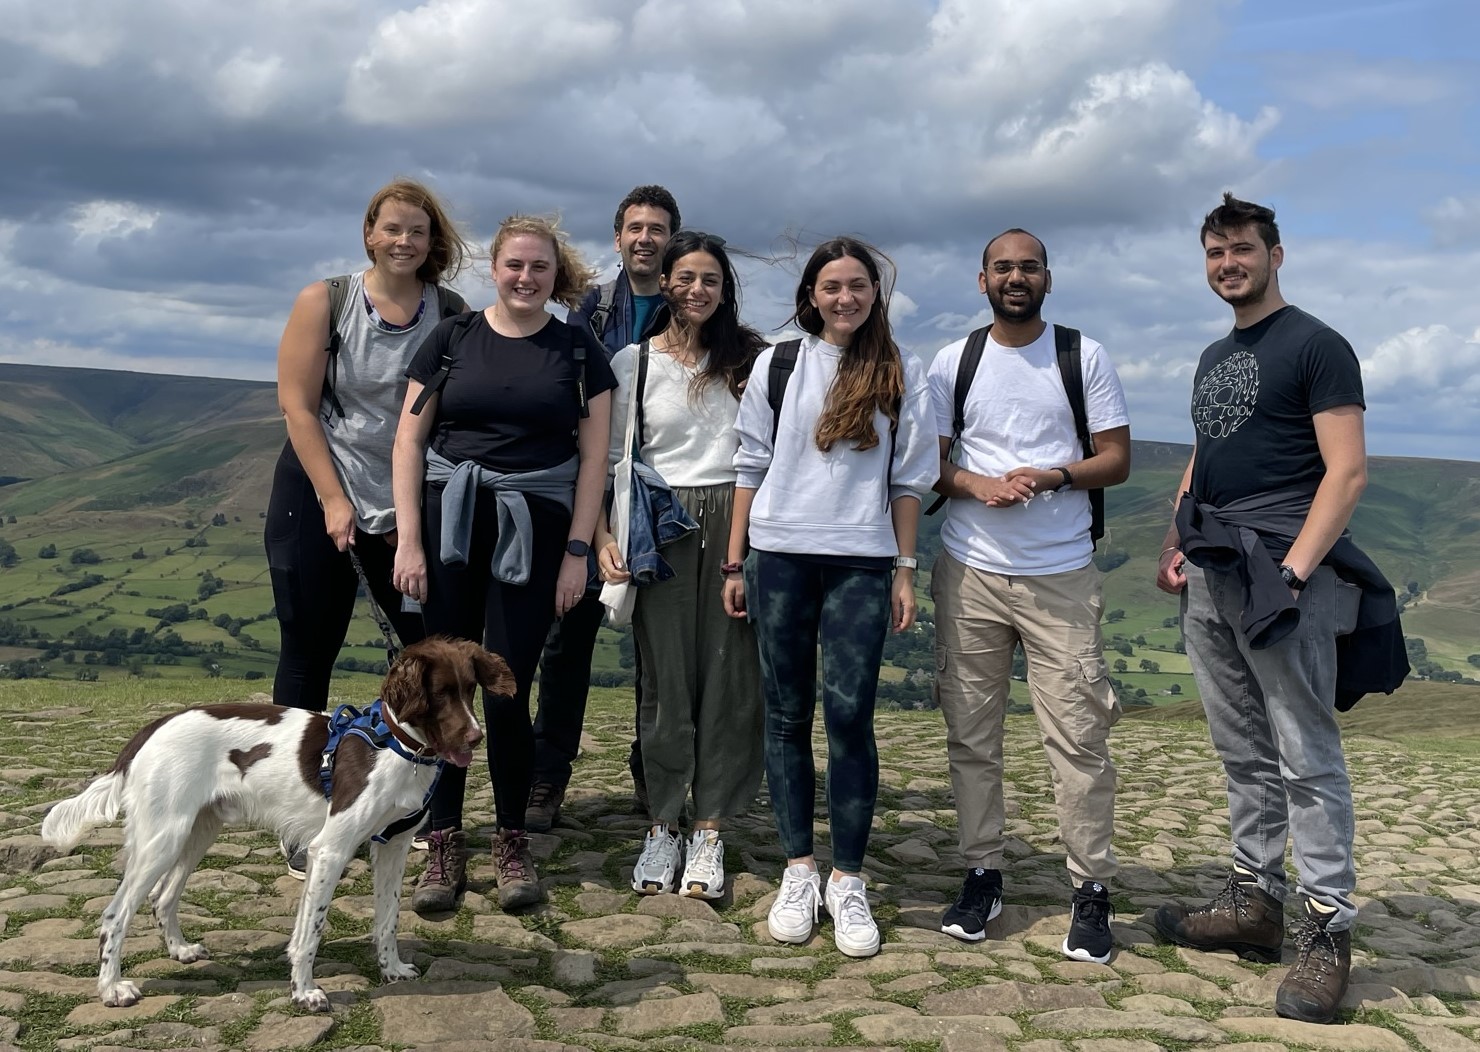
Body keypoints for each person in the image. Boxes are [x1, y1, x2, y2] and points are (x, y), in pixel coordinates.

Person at [1152, 194, 1404, 1024]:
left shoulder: (1318, 346)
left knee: (1306, 754)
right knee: (1242, 748)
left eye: (1242, 251)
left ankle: (1326, 930)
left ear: (1277, 255)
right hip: (1214, 568)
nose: (1229, 264)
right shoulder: (1213, 354)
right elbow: (1205, 453)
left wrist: (1294, 574)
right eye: (1216, 253)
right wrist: (1177, 539)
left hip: (1282, 572)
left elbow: (1347, 472)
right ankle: (1254, 904)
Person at [390, 214, 616, 913]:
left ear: (557, 274)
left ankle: (510, 838)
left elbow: (594, 461)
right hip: (449, 522)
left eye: (539, 268)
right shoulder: (452, 339)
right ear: (495, 268)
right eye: (515, 265)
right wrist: (407, 540)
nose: (526, 278)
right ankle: (445, 840)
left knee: (505, 683)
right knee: (439, 682)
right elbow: (408, 442)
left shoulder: (579, 351)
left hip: (537, 529)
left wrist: (579, 553)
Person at [927, 229, 1131, 964]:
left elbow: (1117, 458)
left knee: (1079, 739)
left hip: (1061, 574)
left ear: (1048, 277)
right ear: (981, 279)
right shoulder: (955, 361)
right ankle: (983, 872)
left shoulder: (1084, 355)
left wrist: (1050, 477)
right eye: (1004, 267)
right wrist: (977, 485)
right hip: (969, 570)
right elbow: (932, 463)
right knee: (971, 736)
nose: (1017, 277)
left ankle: (1092, 890)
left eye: (1029, 267)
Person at [729, 237, 936, 957]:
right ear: (811, 295)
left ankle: (848, 880)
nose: (844, 297)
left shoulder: (901, 372)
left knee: (849, 717)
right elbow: (749, 462)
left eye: (857, 285)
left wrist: (906, 568)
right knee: (785, 716)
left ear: (875, 293)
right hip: (778, 555)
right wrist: (735, 561)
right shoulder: (777, 363)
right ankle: (798, 870)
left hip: (862, 564)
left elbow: (910, 481)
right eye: (830, 286)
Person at [265, 178, 470, 878]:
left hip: (409, 500)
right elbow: (297, 407)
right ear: (369, 233)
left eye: (417, 231)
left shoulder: (452, 311)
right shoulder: (326, 300)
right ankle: (298, 819)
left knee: (422, 655)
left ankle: (412, 810)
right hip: (318, 491)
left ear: (431, 242)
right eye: (392, 228)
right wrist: (332, 498)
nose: (404, 241)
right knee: (308, 652)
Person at [595, 231, 766, 900]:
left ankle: (710, 830)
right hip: (659, 526)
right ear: (664, 281)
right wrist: (606, 536)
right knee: (664, 682)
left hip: (736, 520)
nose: (699, 289)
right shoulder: (631, 363)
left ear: (725, 291)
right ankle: (663, 822)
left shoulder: (751, 362)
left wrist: (747, 552)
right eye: (687, 277)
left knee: (729, 682)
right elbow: (611, 459)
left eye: (712, 280)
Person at [528, 185, 682, 831]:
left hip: (670, 498)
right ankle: (546, 777)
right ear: (618, 238)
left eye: (658, 229)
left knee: (659, 647)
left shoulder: (691, 303)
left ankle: (655, 771)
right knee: (567, 645)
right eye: (635, 228)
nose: (646, 238)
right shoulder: (588, 313)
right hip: (594, 492)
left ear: (671, 239)